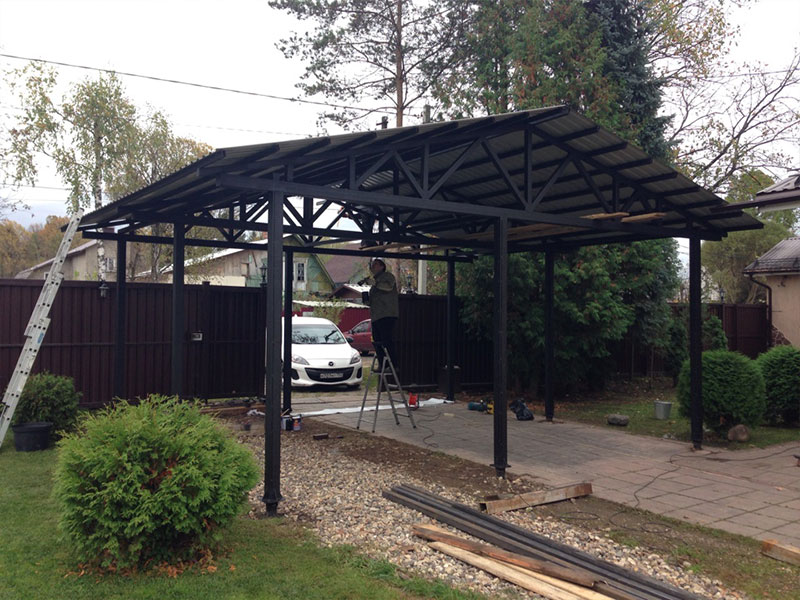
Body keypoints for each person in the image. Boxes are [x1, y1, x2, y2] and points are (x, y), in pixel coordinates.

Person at [364, 258, 399, 370]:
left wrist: (375, 283)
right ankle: (382, 365)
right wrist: (367, 300)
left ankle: (393, 365)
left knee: (387, 340)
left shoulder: (388, 276)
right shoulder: (375, 282)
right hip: (376, 316)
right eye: (372, 265)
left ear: (382, 266)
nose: (372, 267)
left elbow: (388, 287)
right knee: (377, 342)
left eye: (375, 265)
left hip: (387, 314)